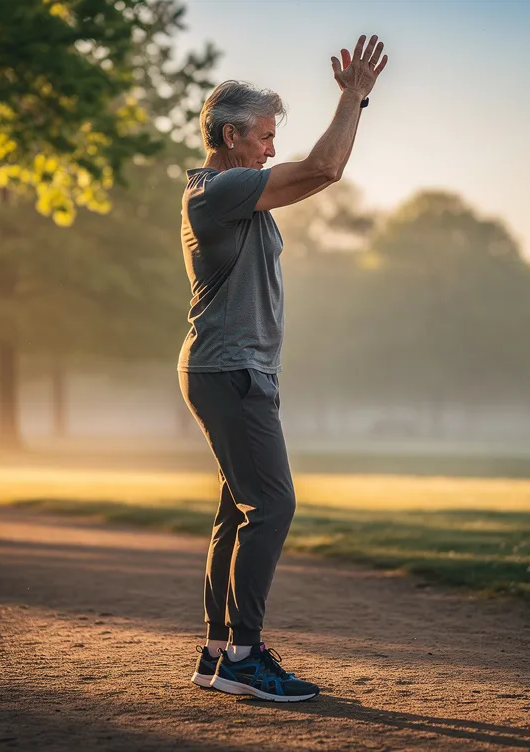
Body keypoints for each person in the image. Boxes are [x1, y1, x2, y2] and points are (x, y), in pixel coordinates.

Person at [177, 34, 389, 702]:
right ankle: (243, 655)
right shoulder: (217, 192)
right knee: (273, 503)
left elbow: (320, 172)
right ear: (232, 135)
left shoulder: (235, 195)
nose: (273, 147)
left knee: (238, 513)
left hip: (235, 371)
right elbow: (325, 168)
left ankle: (218, 654)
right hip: (229, 370)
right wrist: (353, 98)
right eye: (266, 136)